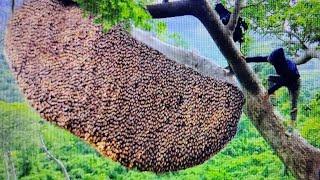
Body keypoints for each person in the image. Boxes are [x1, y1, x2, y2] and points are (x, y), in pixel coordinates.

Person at [246, 48, 301, 134]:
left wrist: (268, 92)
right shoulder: (276, 59)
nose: (270, 62)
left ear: (277, 61)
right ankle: (273, 100)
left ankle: (291, 127)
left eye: (271, 62)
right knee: (270, 78)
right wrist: (246, 59)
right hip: (284, 79)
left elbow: (281, 83)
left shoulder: (289, 68)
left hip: (294, 84)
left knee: (293, 105)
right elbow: (261, 58)